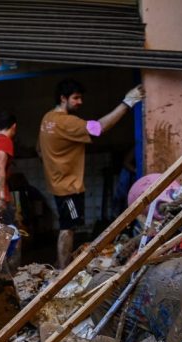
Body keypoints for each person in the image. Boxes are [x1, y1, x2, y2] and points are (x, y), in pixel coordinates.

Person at [38, 78, 144, 268]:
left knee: (67, 225)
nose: (80, 102)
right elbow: (98, 128)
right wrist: (127, 103)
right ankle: (62, 271)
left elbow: (39, 149)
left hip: (57, 183)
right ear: (63, 98)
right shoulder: (67, 122)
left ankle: (60, 264)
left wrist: (55, 164)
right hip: (68, 187)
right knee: (68, 228)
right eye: (76, 98)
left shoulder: (47, 119)